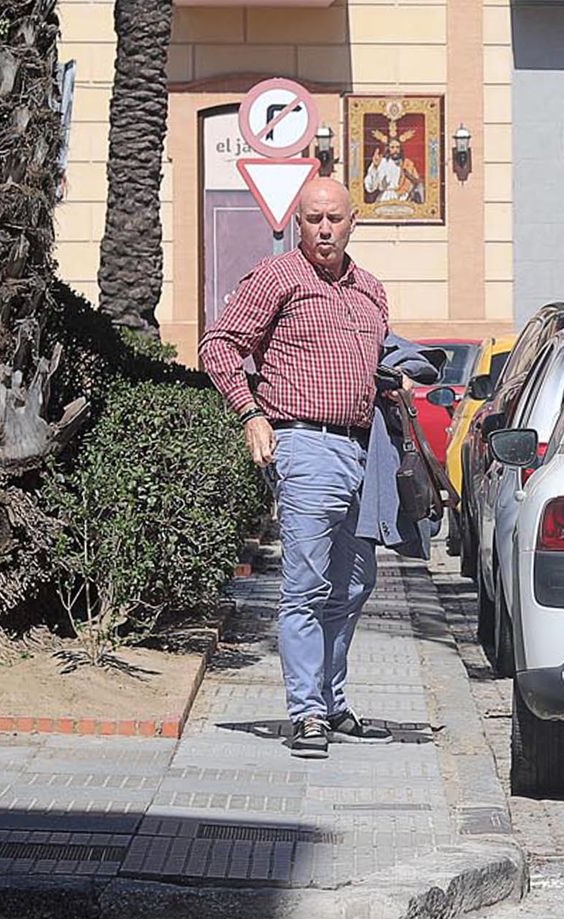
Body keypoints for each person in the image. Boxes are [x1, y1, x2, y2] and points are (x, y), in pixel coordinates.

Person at [199, 177, 396, 759]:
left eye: (334, 217)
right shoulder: (278, 278)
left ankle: (332, 704)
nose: (325, 229)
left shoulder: (371, 290)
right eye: (314, 219)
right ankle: (305, 712)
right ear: (298, 223)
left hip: (366, 450)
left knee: (356, 583)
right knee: (305, 586)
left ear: (353, 220)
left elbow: (378, 362)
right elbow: (219, 345)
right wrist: (251, 413)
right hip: (306, 445)